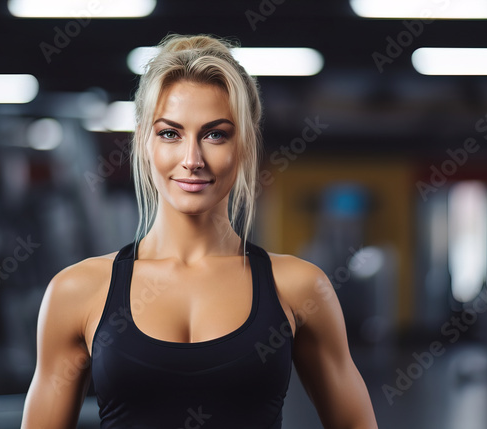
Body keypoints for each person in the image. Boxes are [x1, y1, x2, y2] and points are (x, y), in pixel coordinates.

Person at [21, 34, 378, 429]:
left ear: (243, 145)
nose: (192, 160)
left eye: (215, 134)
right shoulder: (77, 292)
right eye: (170, 134)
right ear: (143, 143)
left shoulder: (299, 287)